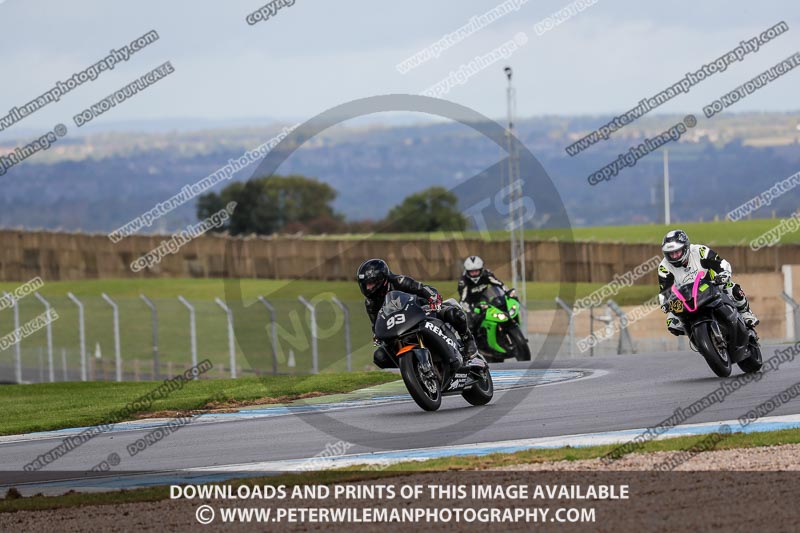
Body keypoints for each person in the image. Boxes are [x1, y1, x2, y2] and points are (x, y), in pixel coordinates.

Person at [356, 258, 483, 371]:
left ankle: (467, 340)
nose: (368, 288)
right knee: (380, 356)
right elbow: (376, 323)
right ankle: (413, 367)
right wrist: (377, 335)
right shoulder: (370, 303)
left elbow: (422, 288)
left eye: (371, 283)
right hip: (399, 327)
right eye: (365, 285)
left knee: (453, 313)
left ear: (381, 279)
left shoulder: (398, 281)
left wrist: (433, 298)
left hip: (422, 310)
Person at [658, 229, 759, 336]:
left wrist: (723, 274)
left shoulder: (700, 251)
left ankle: (746, 313)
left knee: (732, 288)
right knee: (672, 323)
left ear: (685, 247)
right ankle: (697, 334)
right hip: (688, 299)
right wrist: (666, 303)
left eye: (677, 252)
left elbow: (721, 263)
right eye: (670, 254)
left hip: (712, 286)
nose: (674, 256)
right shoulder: (664, 267)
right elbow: (664, 291)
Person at [457, 256, 515, 331]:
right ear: (467, 271)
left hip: (485, 300)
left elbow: (499, 283)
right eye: (472, 272)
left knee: (502, 306)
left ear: (481, 269)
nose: (474, 274)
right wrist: (469, 312)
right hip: (471, 305)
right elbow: (463, 300)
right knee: (471, 325)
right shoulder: (463, 282)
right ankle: (473, 339)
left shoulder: (486, 274)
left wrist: (508, 292)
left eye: (476, 271)